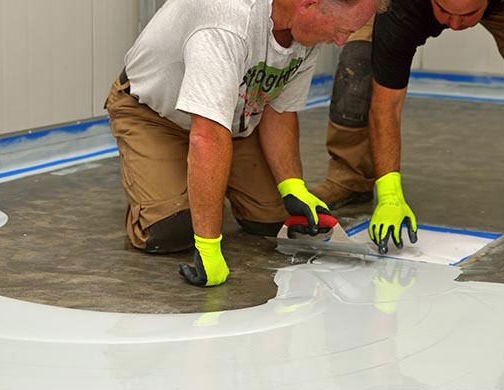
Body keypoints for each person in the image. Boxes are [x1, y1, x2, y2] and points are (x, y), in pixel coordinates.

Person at [105, 0, 381, 287]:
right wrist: (209, 247)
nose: (340, 42)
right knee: (171, 229)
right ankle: (166, 183)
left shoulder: (303, 32)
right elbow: (207, 135)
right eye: (340, 30)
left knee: (271, 219)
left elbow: (278, 108)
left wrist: (292, 186)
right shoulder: (227, 18)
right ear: (308, 4)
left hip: (234, 118)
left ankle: (202, 182)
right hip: (156, 114)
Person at [309, 0, 504, 254]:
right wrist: (390, 193)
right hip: (407, 6)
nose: (455, 25)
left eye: (468, 14)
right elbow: (386, 105)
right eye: (444, 11)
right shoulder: (401, 9)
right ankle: (349, 177)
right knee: (359, 60)